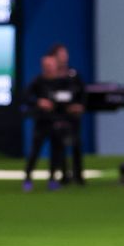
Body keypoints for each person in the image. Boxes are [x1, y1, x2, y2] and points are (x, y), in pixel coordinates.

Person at [22, 54, 66, 192]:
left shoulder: (62, 82)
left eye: (51, 65)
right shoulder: (38, 81)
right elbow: (25, 97)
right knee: (35, 151)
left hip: (57, 122)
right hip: (41, 122)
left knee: (56, 152)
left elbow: (68, 98)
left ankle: (52, 179)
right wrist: (39, 102)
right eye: (46, 65)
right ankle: (28, 178)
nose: (49, 68)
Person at [48, 43, 86, 185]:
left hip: (73, 116)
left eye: (65, 54)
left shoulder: (73, 74)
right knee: (59, 146)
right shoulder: (51, 77)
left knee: (76, 144)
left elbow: (82, 93)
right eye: (61, 54)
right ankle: (63, 175)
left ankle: (79, 175)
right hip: (58, 116)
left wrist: (79, 106)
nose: (64, 57)